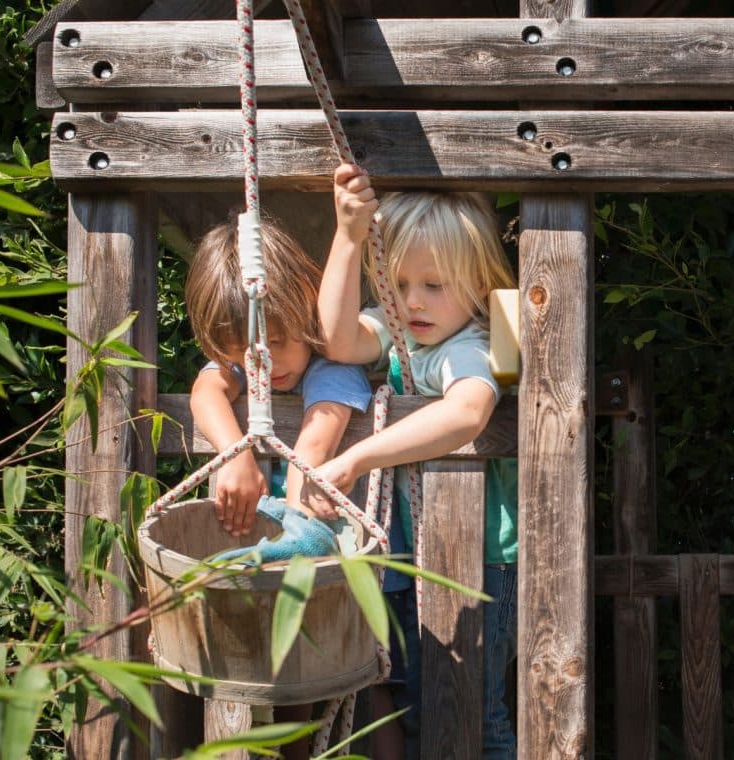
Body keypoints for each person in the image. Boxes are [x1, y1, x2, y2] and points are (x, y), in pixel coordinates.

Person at [315, 164, 519, 760]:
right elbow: (337, 340)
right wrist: (347, 237)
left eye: (435, 285)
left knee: (474, 710)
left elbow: (467, 414)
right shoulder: (406, 330)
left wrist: (356, 458)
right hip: (420, 552)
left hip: (479, 559)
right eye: (398, 282)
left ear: (480, 284)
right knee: (419, 702)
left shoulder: (470, 346)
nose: (412, 300)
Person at [184, 214, 373, 760]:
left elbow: (318, 437)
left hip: (327, 576)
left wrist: (292, 481)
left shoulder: (333, 369)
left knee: (310, 697)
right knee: (252, 695)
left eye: (279, 343)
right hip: (266, 581)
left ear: (305, 306)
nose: (263, 363)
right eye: (241, 353)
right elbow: (205, 389)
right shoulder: (251, 363)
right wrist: (235, 452)